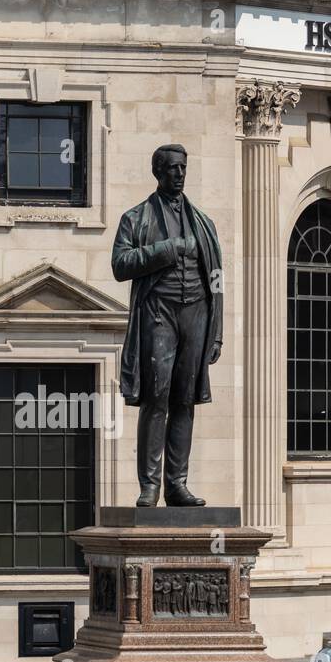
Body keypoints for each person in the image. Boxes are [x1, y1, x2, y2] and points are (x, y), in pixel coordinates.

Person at [112, 144, 223, 508]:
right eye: (173, 168)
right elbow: (120, 264)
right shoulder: (136, 218)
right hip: (158, 312)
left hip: (196, 313)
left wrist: (216, 332)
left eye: (183, 168)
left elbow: (217, 280)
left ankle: (178, 484)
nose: (180, 174)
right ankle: (150, 485)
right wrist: (168, 249)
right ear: (158, 171)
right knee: (156, 398)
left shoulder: (204, 223)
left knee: (184, 400)